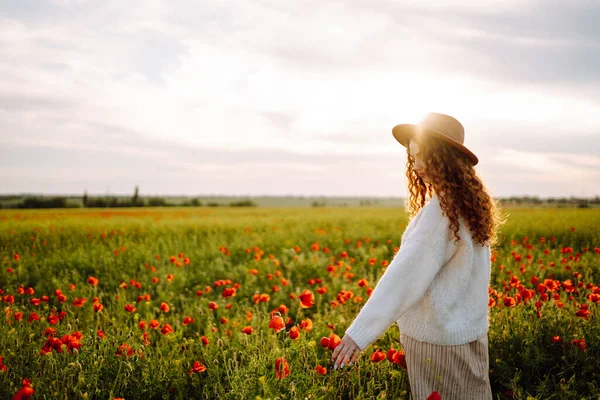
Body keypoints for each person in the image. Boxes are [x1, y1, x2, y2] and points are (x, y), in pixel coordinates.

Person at [331, 112, 507, 400]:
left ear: (447, 159)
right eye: (413, 157)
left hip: (437, 341)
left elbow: (403, 277)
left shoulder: (442, 212)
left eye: (426, 156)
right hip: (469, 336)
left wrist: (358, 334)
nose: (418, 165)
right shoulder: (469, 206)